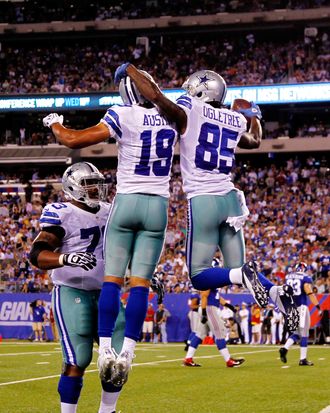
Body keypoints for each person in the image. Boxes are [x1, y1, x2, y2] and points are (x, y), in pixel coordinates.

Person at [113, 63, 299, 333]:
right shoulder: (234, 119)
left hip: (204, 199)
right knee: (237, 271)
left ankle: (247, 276)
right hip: (231, 201)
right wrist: (253, 115)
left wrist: (131, 70)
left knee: (200, 276)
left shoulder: (191, 108)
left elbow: (155, 96)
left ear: (199, 91)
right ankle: (277, 294)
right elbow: (254, 141)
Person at [42, 72, 178, 388]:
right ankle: (127, 353)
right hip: (158, 204)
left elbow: (73, 140)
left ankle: (105, 351)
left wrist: (54, 124)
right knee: (141, 284)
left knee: (112, 283)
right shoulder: (174, 113)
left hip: (128, 199)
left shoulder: (122, 113)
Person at [29, 162, 125, 413]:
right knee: (78, 360)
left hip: (107, 291)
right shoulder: (61, 212)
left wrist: (146, 273)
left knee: (117, 361)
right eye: (88, 183)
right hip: (71, 290)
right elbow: (37, 254)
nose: (95, 188)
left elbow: (123, 248)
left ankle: (107, 411)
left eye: (97, 183)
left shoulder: (109, 210)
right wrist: (65, 258)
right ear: (73, 186)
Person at [183, 289, 245, 368]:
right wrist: (204, 312)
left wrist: (230, 306)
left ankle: (188, 358)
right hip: (209, 309)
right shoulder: (209, 281)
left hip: (207, 308)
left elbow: (217, 297)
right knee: (220, 333)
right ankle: (229, 361)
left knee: (199, 335)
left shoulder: (213, 285)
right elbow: (204, 295)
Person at [279, 262, 323, 366]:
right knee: (304, 333)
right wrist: (318, 306)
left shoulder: (288, 277)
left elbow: (284, 293)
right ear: (304, 268)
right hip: (301, 307)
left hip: (291, 307)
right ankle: (303, 359)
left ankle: (285, 348)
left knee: (296, 332)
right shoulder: (305, 277)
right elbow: (309, 291)